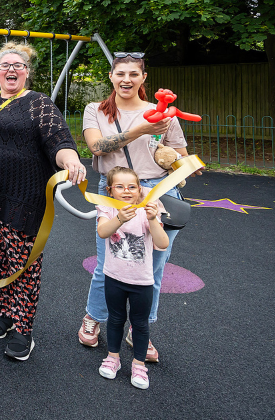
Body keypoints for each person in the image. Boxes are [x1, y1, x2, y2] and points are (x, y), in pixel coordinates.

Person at [0, 42, 87, 360]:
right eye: (5, 65)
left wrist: (70, 161)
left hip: (21, 200)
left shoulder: (38, 103)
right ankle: (6, 313)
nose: (11, 70)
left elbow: (59, 139)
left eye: (18, 66)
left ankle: (24, 329)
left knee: (23, 266)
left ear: (27, 72)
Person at [77, 53, 196, 362]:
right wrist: (140, 131)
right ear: (111, 76)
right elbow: (96, 147)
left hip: (156, 189)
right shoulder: (97, 110)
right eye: (120, 73)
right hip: (116, 190)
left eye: (133, 73)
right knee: (108, 263)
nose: (126, 79)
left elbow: (181, 155)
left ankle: (139, 328)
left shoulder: (164, 114)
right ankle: (93, 317)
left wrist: (183, 162)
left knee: (154, 267)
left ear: (144, 78)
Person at [95, 166, 169, 390]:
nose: (126, 191)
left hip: (142, 282)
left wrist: (153, 218)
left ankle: (139, 365)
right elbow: (103, 231)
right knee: (115, 319)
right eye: (120, 186)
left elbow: (162, 243)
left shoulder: (147, 210)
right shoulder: (107, 207)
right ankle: (113, 358)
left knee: (139, 323)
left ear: (140, 190)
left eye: (132, 187)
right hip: (114, 278)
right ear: (110, 191)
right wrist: (118, 218)